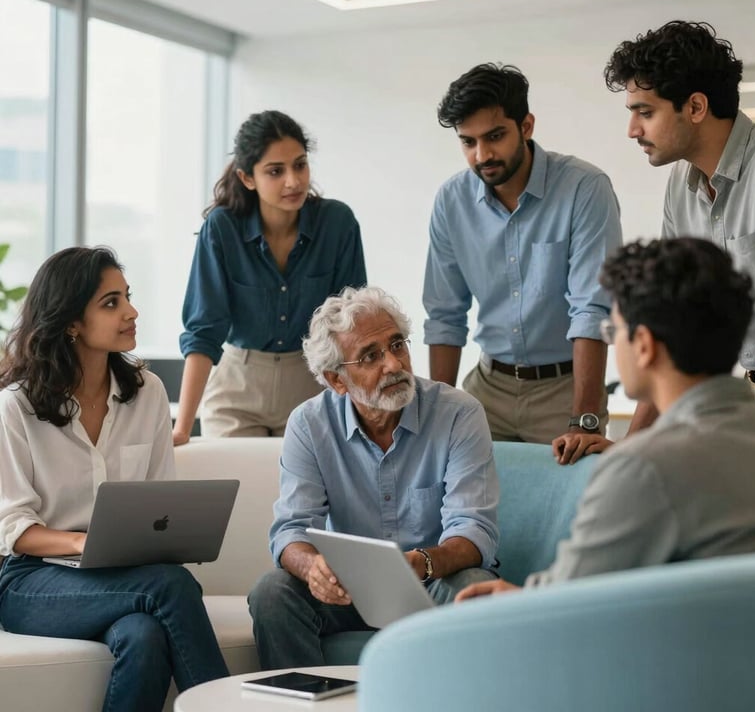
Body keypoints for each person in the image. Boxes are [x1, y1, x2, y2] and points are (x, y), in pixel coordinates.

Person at [457, 237, 755, 600]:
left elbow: (563, 604)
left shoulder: (644, 469)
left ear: (644, 345)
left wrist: (505, 600)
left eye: (613, 330)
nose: (612, 343)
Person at [0, 247, 228, 712]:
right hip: (31, 582)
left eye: (127, 297)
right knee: (171, 585)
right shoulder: (15, 408)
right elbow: (15, 531)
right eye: (111, 303)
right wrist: (86, 542)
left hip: (121, 575)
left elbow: (162, 505)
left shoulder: (147, 394)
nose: (131, 312)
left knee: (142, 637)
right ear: (70, 323)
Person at [248, 286, 499, 669]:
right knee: (272, 592)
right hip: (348, 591)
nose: (394, 364)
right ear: (336, 380)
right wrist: (314, 569)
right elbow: (291, 531)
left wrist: (418, 564)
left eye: (397, 345)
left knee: (476, 587)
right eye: (370, 356)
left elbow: (474, 532)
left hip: (433, 580)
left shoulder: (458, 413)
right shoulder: (309, 425)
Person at [565, 20, 755, 463]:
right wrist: (629, 453)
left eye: (645, 112)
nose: (632, 130)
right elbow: (671, 318)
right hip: (739, 396)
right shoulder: (682, 181)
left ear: (695, 106)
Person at [424, 62, 622, 452]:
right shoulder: (452, 200)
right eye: (468, 142)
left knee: (568, 511)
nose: (482, 155)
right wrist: (437, 412)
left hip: (564, 391)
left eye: (495, 136)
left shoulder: (585, 188)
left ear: (526, 126)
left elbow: (591, 311)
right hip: (486, 388)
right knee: (467, 509)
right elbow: (445, 315)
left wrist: (582, 419)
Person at [174, 110, 367, 444]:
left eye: (300, 164)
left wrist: (366, 414)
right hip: (237, 389)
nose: (293, 181)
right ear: (248, 178)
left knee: (306, 496)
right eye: (275, 171)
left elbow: (352, 325)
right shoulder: (222, 229)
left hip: (312, 388)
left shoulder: (338, 223)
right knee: (239, 493)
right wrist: (182, 428)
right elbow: (203, 330)